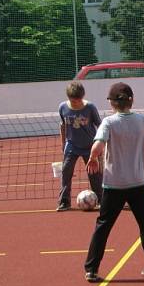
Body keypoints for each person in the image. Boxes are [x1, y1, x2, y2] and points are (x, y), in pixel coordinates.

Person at [83, 82, 144, 283]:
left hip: (114, 184)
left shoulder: (109, 123)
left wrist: (93, 157)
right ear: (131, 100)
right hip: (138, 183)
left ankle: (91, 269)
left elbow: (98, 144)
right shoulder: (141, 120)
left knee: (103, 225)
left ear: (112, 103)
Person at [57, 81, 103, 211]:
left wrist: (100, 144)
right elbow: (62, 125)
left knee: (94, 173)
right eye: (73, 100)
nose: (76, 103)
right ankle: (64, 202)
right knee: (66, 172)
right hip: (71, 145)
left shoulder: (90, 108)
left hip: (90, 145)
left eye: (78, 100)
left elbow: (99, 125)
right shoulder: (62, 107)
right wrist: (63, 143)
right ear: (68, 97)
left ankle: (100, 199)